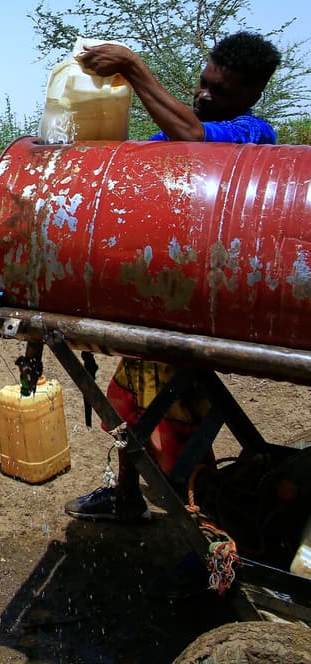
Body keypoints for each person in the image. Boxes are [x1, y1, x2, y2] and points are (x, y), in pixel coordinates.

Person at [64, 31, 281, 522]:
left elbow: (196, 143)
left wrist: (135, 68)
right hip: (164, 296)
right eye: (203, 85)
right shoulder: (172, 136)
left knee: (177, 413)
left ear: (251, 96)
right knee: (130, 401)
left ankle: (204, 526)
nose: (204, 96)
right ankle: (125, 495)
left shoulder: (252, 135)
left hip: (206, 305)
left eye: (219, 92)